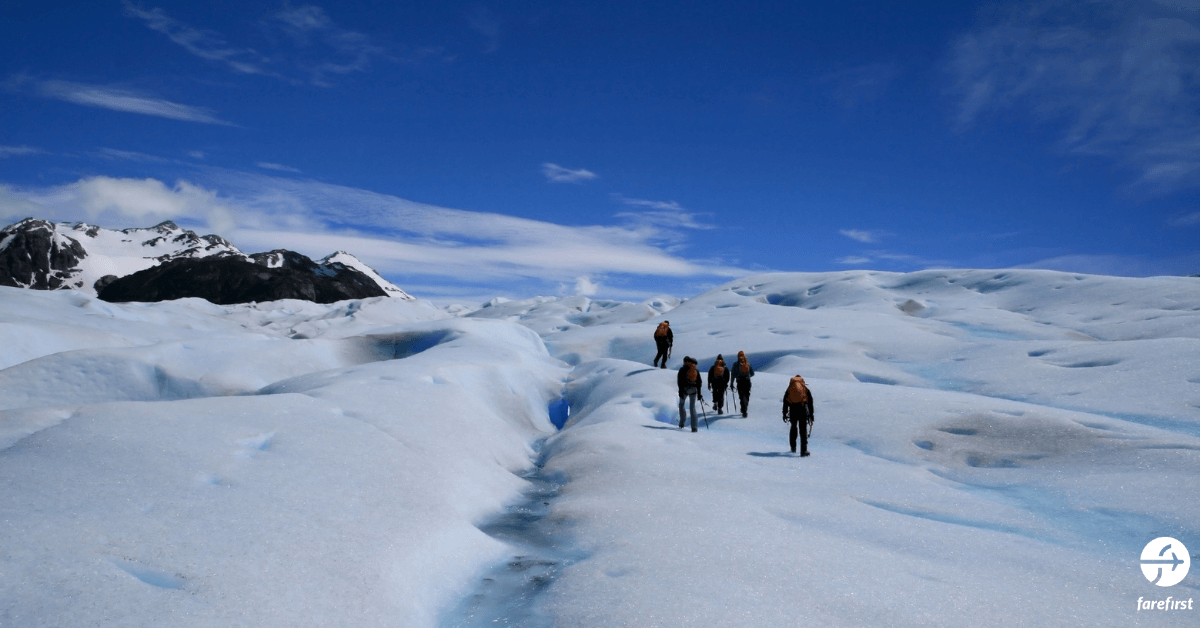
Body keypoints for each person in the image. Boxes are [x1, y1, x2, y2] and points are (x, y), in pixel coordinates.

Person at [782, 375, 814, 455]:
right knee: (803, 430)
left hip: (793, 410)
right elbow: (810, 402)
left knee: (793, 427)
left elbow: (785, 402)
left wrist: (784, 413)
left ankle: (793, 448)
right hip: (802, 409)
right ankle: (803, 450)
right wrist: (811, 415)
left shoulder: (789, 389)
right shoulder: (805, 389)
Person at [677, 356, 704, 432]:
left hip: (685, 389)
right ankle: (694, 427)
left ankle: (682, 422)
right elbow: (699, 382)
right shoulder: (696, 370)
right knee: (692, 408)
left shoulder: (682, 370)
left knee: (681, 405)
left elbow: (680, 381)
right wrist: (699, 393)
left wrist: (680, 391)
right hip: (694, 390)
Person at [731, 350, 754, 417]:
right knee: (747, 395)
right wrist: (748, 375)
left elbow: (733, 375)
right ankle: (745, 409)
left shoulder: (735, 364)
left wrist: (731, 383)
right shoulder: (747, 363)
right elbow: (752, 373)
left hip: (740, 382)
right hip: (747, 381)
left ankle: (743, 410)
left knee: (741, 396)